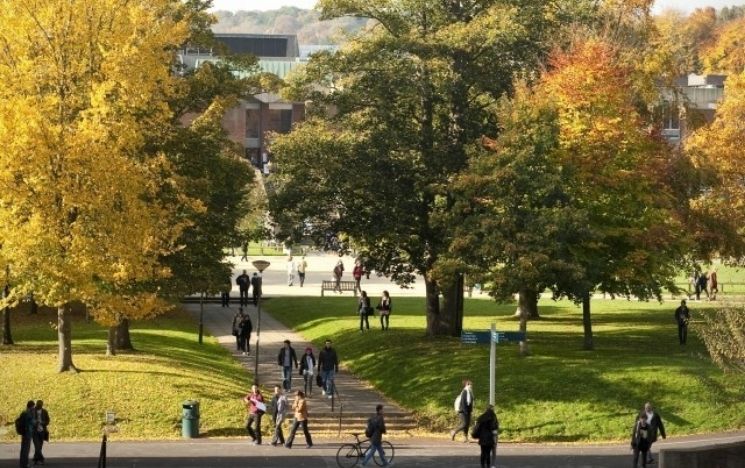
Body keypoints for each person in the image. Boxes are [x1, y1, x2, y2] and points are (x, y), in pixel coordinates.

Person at [32, 400, 50, 466]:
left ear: (42, 405)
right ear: (36, 404)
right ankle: (41, 459)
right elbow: (30, 420)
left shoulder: (44, 411)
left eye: (40, 405)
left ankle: (36, 460)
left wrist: (43, 423)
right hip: (35, 431)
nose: (39, 406)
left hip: (42, 431)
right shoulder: (33, 411)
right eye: (38, 405)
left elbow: (48, 420)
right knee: (37, 446)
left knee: (39, 447)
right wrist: (34, 422)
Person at [18, 400, 35, 468]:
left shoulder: (23, 412)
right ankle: (25, 465)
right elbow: (32, 422)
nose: (34, 408)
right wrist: (33, 414)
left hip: (24, 433)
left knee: (23, 449)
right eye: (33, 407)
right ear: (31, 406)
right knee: (26, 450)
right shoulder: (28, 414)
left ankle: (22, 464)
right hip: (27, 433)